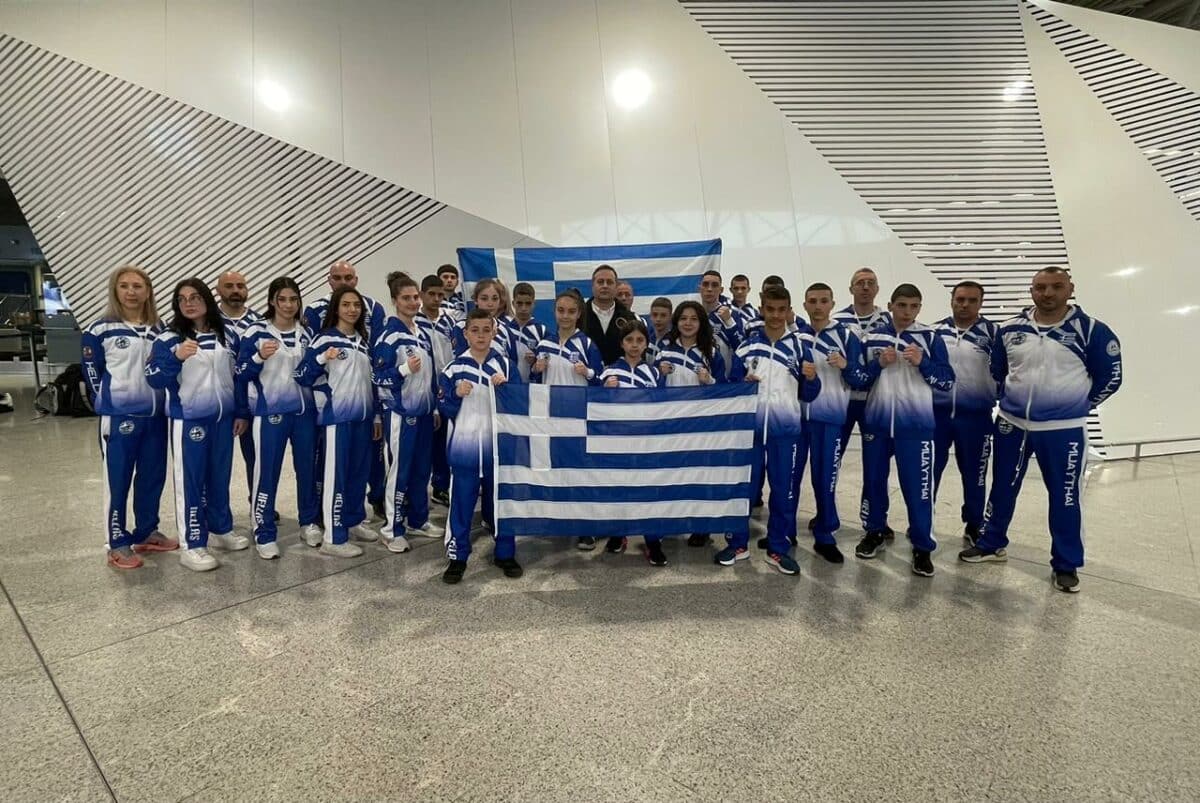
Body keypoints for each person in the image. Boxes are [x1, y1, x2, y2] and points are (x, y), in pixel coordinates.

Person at [959, 266, 1122, 593]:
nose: (1048, 293)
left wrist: (1078, 406)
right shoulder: (1010, 329)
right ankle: (991, 543)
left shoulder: (1092, 331)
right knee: (1002, 487)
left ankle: (1066, 564)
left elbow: (1111, 378)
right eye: (1041, 287)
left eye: (1056, 286)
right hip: (1012, 424)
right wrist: (1010, 402)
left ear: (1070, 289)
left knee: (1065, 496)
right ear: (1031, 290)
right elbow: (998, 370)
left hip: (1063, 430)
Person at [146, 279, 250, 572]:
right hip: (189, 420)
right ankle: (192, 544)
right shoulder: (169, 338)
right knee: (190, 482)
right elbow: (154, 377)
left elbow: (238, 377)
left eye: (194, 297)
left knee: (220, 476)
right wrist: (176, 358)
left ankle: (220, 528)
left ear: (207, 299)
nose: (189, 303)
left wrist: (241, 411)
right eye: (182, 299)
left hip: (223, 420)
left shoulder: (227, 334)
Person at [854, 284, 954, 577]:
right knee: (873, 481)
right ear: (890, 306)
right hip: (877, 424)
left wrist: (924, 363)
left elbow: (947, 381)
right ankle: (874, 531)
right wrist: (878, 365)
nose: (907, 311)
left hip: (916, 427)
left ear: (920, 308)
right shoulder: (872, 338)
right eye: (901, 305)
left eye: (913, 306)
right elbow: (858, 379)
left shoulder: (931, 338)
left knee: (918, 489)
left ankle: (922, 546)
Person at [723, 286, 821, 576]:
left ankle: (778, 548)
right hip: (750, 433)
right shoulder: (748, 346)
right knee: (743, 490)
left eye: (781, 310)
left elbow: (810, 395)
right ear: (762, 309)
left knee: (782, 492)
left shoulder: (800, 347)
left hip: (786, 432)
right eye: (770, 309)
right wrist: (742, 382)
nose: (776, 315)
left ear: (789, 311)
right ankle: (737, 544)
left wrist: (812, 379)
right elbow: (731, 386)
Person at [82, 266, 174, 569]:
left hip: (156, 417)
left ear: (148, 291)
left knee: (152, 476)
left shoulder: (160, 329)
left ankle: (146, 531)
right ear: (115, 290)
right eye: (124, 286)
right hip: (120, 417)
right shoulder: (100, 330)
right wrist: (109, 403)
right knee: (117, 479)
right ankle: (116, 541)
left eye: (138, 286)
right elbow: (92, 372)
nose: (131, 292)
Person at [234, 277, 320, 558]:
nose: (288, 305)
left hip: (305, 414)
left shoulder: (306, 333)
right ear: (272, 300)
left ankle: (308, 522)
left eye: (293, 299)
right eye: (282, 299)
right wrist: (258, 357)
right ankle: (264, 530)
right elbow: (241, 372)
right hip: (270, 413)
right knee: (267, 472)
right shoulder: (256, 331)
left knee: (307, 469)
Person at [295, 286, 382, 558]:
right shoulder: (324, 339)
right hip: (337, 419)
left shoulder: (363, 341)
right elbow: (302, 375)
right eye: (346, 304)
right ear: (336, 307)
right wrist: (323, 358)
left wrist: (376, 415)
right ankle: (333, 536)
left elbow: (372, 383)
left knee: (358, 473)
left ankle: (353, 521)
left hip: (363, 419)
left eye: (356, 305)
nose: (352, 309)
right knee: (337, 477)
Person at [787, 283, 870, 563]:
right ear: (805, 305)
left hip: (830, 419)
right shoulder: (795, 337)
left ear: (832, 304)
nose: (818, 306)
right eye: (812, 301)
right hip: (797, 419)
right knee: (790, 478)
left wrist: (846, 366)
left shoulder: (846, 335)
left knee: (825, 480)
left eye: (824, 301)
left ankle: (825, 535)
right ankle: (786, 531)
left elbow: (861, 379)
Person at [438, 309, 523, 584]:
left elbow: (520, 405)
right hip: (465, 449)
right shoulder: (453, 368)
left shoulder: (505, 366)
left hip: (498, 449)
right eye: (475, 330)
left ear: (494, 332)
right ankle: (457, 556)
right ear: (465, 334)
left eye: (486, 330)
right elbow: (443, 407)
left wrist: (506, 390)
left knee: (501, 502)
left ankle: (505, 553)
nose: (481, 335)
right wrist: (455, 394)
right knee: (461, 503)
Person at [302, 259, 389, 518]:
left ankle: (358, 514)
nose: (343, 282)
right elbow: (307, 367)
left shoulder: (371, 315)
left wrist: (376, 412)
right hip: (333, 408)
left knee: (362, 464)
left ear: (356, 280)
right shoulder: (316, 314)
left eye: (348, 278)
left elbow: (378, 358)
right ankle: (330, 519)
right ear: (329, 280)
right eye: (337, 278)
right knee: (332, 465)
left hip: (364, 407)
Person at [531, 289, 603, 550]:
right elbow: (534, 383)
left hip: (577, 417)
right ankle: (558, 519)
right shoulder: (544, 344)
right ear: (554, 311)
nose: (565, 316)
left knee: (580, 472)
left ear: (579, 314)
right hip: (550, 416)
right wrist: (535, 370)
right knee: (554, 468)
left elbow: (601, 381)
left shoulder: (587, 344)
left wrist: (588, 373)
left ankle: (586, 527)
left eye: (571, 311)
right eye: (561, 310)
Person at [373, 273, 440, 554]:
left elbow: (431, 374)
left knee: (422, 470)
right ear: (394, 301)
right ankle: (392, 529)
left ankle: (418, 520)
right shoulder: (389, 337)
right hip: (401, 415)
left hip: (424, 413)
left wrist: (433, 406)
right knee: (400, 471)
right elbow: (378, 377)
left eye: (415, 297)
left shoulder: (421, 333)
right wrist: (402, 370)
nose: (413, 302)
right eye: (406, 298)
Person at [932, 281, 998, 546]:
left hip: (975, 417)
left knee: (975, 475)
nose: (965, 305)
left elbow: (1008, 370)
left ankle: (974, 523)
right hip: (936, 416)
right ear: (952, 300)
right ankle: (923, 522)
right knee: (928, 472)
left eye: (972, 300)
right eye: (960, 299)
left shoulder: (994, 334)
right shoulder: (935, 332)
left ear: (981, 303)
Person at [656, 300, 726, 548]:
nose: (688, 323)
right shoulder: (664, 350)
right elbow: (652, 387)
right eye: (683, 318)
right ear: (676, 322)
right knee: (670, 474)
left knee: (699, 475)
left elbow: (724, 390)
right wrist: (660, 374)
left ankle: (701, 526)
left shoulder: (711, 352)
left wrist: (710, 381)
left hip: (700, 425)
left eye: (694, 319)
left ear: (701, 323)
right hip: (671, 424)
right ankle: (670, 522)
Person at [829, 267, 892, 535]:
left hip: (875, 403)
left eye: (870, 283)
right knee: (830, 461)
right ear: (851, 288)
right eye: (860, 283)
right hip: (843, 401)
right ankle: (825, 514)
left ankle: (876, 519)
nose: (865, 287)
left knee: (876, 466)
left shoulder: (888, 321)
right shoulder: (837, 320)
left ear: (877, 289)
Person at [600, 318, 667, 564]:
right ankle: (619, 533)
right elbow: (596, 407)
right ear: (622, 343)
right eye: (629, 340)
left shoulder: (653, 373)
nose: (635, 345)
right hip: (617, 442)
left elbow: (662, 406)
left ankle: (652, 540)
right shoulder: (609, 372)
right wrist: (604, 390)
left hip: (645, 443)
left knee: (648, 490)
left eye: (640, 340)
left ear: (646, 344)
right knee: (618, 488)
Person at [215, 271, 266, 510]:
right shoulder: (208, 322)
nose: (236, 290)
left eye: (240, 285)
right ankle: (216, 510)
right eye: (229, 286)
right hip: (218, 400)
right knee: (217, 460)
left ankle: (258, 502)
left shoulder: (259, 323)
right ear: (218, 290)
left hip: (251, 401)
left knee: (256, 457)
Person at [419, 274, 453, 506]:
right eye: (431, 294)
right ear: (422, 294)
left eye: (440, 294)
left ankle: (442, 486)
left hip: (447, 388)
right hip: (423, 388)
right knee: (426, 443)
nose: (436, 298)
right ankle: (419, 490)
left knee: (445, 441)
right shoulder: (414, 322)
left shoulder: (449, 321)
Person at [450, 278, 520, 366]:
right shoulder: (461, 327)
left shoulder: (506, 330)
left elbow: (512, 364)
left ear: (500, 301)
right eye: (484, 299)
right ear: (476, 300)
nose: (490, 304)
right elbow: (459, 361)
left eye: (495, 299)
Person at [583, 265, 637, 364]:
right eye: (600, 282)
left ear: (616, 287)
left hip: (620, 372)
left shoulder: (629, 318)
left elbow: (637, 353)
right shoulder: (579, 316)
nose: (605, 286)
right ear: (592, 286)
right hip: (585, 372)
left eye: (609, 282)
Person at [698, 270, 745, 371]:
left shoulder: (732, 314)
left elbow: (741, 347)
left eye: (714, 285)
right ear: (699, 288)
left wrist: (729, 321)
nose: (709, 289)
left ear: (721, 290)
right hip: (697, 376)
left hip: (723, 378)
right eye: (705, 284)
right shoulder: (693, 315)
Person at [509, 282, 546, 383]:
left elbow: (547, 358)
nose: (523, 308)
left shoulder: (541, 330)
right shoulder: (505, 329)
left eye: (528, 303)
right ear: (513, 303)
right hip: (510, 385)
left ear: (534, 304)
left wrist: (536, 360)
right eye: (519, 303)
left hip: (533, 386)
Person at [646, 296, 673, 361]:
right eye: (655, 315)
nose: (658, 319)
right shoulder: (645, 337)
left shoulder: (673, 342)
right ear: (650, 316)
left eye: (663, 315)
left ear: (670, 317)